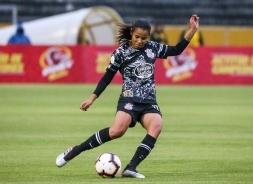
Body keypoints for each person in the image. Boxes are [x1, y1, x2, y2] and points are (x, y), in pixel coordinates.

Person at [56, 14, 199, 178]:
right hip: (129, 99)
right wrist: (92, 98)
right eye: (137, 37)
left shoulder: (153, 48)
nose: (140, 41)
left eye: (144, 38)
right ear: (131, 33)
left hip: (148, 101)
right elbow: (107, 77)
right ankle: (76, 150)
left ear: (149, 37)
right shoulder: (121, 53)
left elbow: (176, 50)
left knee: (156, 126)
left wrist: (192, 29)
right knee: (117, 131)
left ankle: (131, 168)